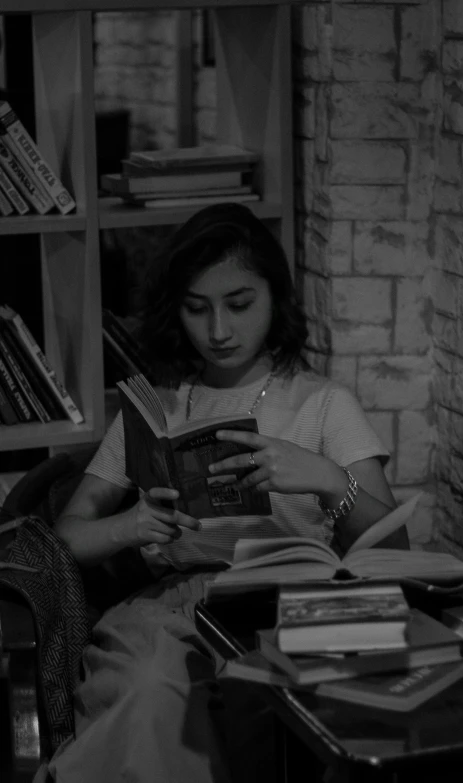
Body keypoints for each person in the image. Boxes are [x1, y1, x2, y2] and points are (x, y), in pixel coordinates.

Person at [49, 202, 408, 783]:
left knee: (274, 702)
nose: (219, 330)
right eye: (198, 309)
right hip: (176, 609)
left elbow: (396, 545)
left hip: (290, 604)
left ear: (274, 298)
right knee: (148, 689)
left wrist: (326, 479)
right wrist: (127, 526)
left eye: (239, 305)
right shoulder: (157, 408)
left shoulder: (323, 403)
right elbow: (66, 535)